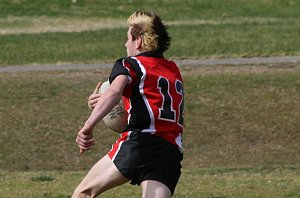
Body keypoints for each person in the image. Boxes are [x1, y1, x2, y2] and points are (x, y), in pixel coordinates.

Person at [73, 10, 184, 198]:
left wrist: (88, 126)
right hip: (170, 151)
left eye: (128, 38)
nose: (126, 44)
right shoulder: (172, 71)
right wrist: (105, 100)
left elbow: (115, 92)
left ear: (138, 41)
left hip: (140, 144)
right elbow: (148, 105)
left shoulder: (129, 64)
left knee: (84, 193)